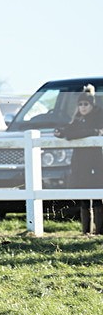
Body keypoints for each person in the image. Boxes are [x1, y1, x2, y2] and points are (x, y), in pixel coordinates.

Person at [54, 84, 103, 234]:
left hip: (96, 160)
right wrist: (61, 132)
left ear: (91, 104)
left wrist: (83, 132)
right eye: (80, 104)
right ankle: (85, 230)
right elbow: (70, 131)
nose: (83, 107)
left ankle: (99, 230)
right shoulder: (77, 119)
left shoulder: (99, 116)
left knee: (97, 195)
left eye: (85, 104)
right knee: (83, 195)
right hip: (80, 162)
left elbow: (76, 133)